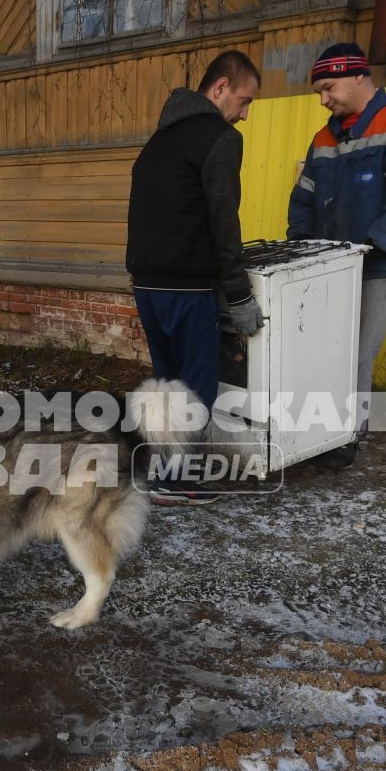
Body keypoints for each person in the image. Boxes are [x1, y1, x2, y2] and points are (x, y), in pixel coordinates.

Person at [286, 42, 386, 470]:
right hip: (327, 264)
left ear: (357, 76)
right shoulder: (324, 136)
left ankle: (346, 438)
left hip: (377, 265)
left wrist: (373, 245)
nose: (323, 99)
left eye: (328, 87)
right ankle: (316, 430)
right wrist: (299, 243)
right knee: (321, 349)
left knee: (355, 354)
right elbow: (304, 197)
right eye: (319, 91)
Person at [125, 50, 263, 506]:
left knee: (167, 384)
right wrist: (240, 295)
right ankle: (179, 480)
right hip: (186, 286)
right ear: (220, 87)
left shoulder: (158, 140)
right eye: (243, 101)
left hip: (147, 284)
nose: (243, 115)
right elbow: (224, 222)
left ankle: (162, 468)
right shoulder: (218, 138)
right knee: (197, 386)